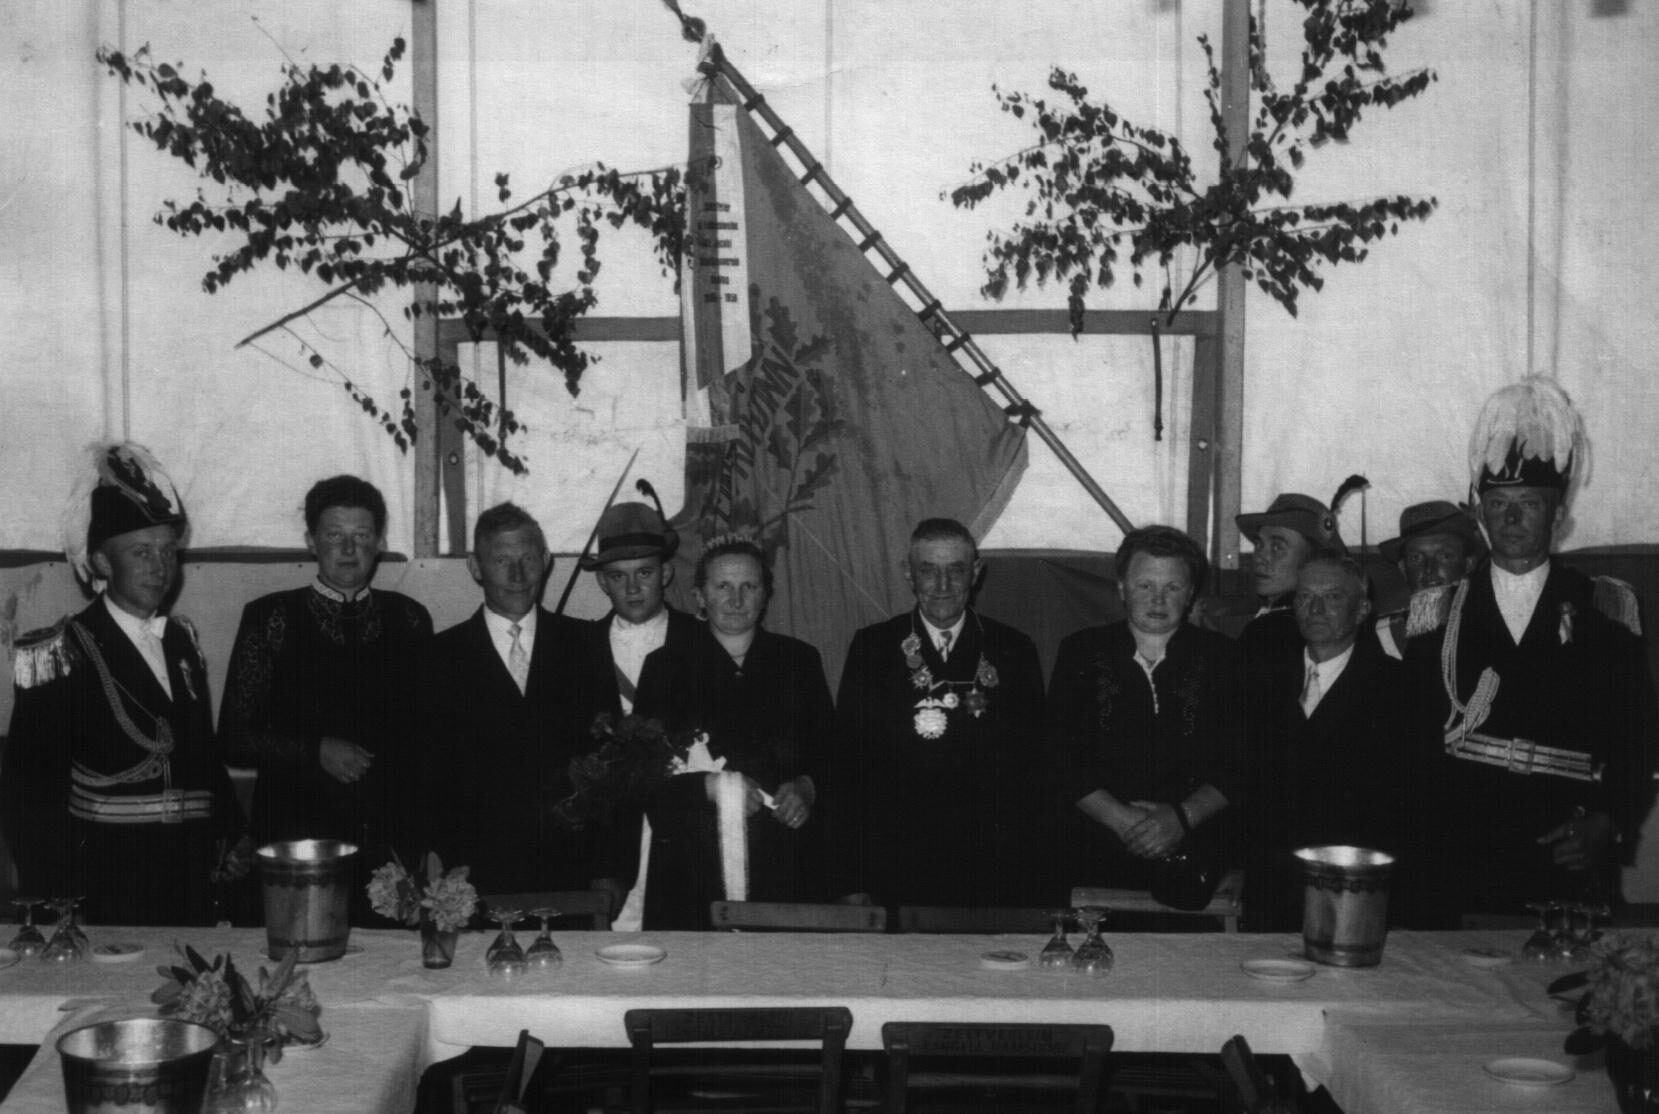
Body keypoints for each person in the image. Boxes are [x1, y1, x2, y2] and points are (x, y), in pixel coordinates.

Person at [1406, 376, 1657, 923]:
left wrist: (1609, 820)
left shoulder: (1603, 608)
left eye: (1530, 504)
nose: (1513, 518)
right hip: (1458, 846)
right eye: (1499, 504)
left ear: (1558, 516)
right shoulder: (1438, 614)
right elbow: (1413, 743)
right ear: (1480, 516)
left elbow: (1637, 738)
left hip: (1565, 841)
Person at [1, 443, 245, 925]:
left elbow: (201, 754)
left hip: (190, 878)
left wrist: (232, 832)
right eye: (141, 552)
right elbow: (30, 794)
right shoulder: (60, 652)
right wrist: (57, 906)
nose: (160, 566)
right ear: (102, 562)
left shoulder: (182, 642)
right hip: (106, 882)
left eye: (168, 552)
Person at [218, 476, 432, 913]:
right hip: (296, 835)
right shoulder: (272, 617)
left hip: (387, 839)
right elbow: (233, 738)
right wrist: (315, 750)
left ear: (380, 541)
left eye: (362, 535)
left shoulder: (409, 618)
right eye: (334, 535)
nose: (349, 549)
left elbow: (427, 736)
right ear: (311, 542)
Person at [829, 518, 1047, 908]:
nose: (942, 585)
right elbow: (849, 769)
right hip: (896, 866)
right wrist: (851, 878)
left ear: (976, 573)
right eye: (929, 570)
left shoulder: (1013, 649)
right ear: (908, 574)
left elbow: (1032, 774)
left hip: (991, 869)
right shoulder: (873, 648)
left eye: (956, 570)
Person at [631, 535, 830, 929]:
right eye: (723, 586)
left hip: (783, 862)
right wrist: (709, 787)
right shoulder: (665, 668)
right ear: (700, 596)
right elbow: (641, 779)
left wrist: (807, 786)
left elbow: (832, 754)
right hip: (694, 868)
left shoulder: (799, 661)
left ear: (765, 595)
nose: (736, 600)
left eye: (749, 586)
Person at [1047, 526, 1247, 899]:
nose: (1158, 599)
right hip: (1095, 843)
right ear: (1122, 588)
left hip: (1194, 846)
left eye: (1172, 587)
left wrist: (1181, 819)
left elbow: (1242, 762)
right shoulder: (1081, 652)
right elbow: (1059, 757)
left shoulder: (1226, 657)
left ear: (1190, 593)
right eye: (1145, 585)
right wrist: (1122, 821)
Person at [412, 503, 601, 895]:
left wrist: (609, 869)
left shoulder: (586, 646)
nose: (517, 576)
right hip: (472, 877)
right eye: (501, 561)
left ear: (546, 561)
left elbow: (609, 766)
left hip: (570, 872)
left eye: (528, 559)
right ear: (475, 567)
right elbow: (424, 777)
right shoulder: (436, 659)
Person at [1248, 554, 1421, 929]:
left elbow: (1408, 806)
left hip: (1356, 889)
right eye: (1305, 596)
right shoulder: (1261, 680)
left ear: (1363, 610)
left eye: (1333, 597)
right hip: (1271, 884)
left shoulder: (1400, 688)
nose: (1315, 609)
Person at [567, 496, 701, 928]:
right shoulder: (576, 650)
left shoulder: (701, 644)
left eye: (644, 573)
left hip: (681, 839)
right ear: (602, 583)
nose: (632, 588)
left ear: (666, 573)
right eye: (617, 576)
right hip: (604, 846)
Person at [1234, 493, 1343, 693]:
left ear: (1314, 560)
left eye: (1277, 547)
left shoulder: (1270, 630)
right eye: (1258, 544)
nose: (1259, 557)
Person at [1372, 500, 1484, 659]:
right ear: (1403, 569)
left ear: (1468, 564)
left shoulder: (1490, 627)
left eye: (1445, 556)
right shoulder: (1384, 638)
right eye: (1416, 558)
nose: (1429, 569)